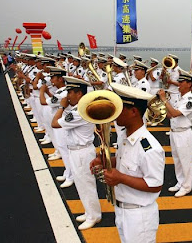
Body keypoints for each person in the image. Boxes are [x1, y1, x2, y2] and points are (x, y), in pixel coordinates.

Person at [90, 83, 165, 243]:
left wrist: (120, 178)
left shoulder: (149, 147)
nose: (114, 113)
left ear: (133, 111)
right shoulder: (125, 136)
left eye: (119, 108)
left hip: (139, 217)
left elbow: (155, 184)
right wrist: (105, 161)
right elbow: (126, 161)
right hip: (122, 210)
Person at [51, 76, 101, 230]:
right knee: (81, 184)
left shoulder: (80, 111)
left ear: (79, 94)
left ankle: (94, 216)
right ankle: (89, 211)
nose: (67, 96)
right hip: (76, 152)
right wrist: (65, 107)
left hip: (82, 153)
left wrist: (61, 107)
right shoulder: (76, 109)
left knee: (86, 185)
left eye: (71, 92)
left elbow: (54, 123)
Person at [158, 69, 192, 197]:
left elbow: (175, 113)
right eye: (179, 82)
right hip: (174, 132)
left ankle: (187, 186)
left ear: (189, 84)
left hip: (184, 134)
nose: (179, 84)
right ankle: (180, 182)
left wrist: (164, 100)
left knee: (185, 161)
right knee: (177, 160)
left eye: (182, 82)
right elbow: (171, 115)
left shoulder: (190, 100)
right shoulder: (180, 98)